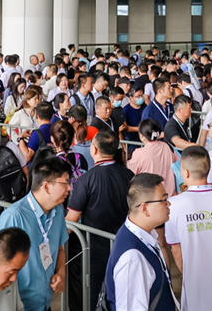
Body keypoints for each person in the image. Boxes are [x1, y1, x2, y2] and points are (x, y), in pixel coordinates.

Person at [163, 146, 212, 311]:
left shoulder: (173, 205)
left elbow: (176, 250)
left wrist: (191, 272)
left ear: (185, 172)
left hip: (195, 292)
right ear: (209, 169)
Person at [65, 131, 133, 308]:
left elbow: (71, 221)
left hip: (94, 249)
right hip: (124, 245)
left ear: (94, 150)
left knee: (93, 294)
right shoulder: (129, 175)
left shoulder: (86, 180)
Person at [0, 158, 71, 311]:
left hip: (45, 304)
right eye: (65, 183)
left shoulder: (57, 213)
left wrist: (61, 273)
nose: (69, 188)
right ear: (47, 187)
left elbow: (60, 249)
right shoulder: (14, 217)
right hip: (20, 307)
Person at [103, 173, 176, 311]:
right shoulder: (133, 258)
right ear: (144, 208)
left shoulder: (142, 235)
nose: (169, 203)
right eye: (164, 199)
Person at [127, 119, 179, 196]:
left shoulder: (139, 153)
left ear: (141, 135)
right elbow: (177, 161)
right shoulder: (167, 146)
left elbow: (130, 172)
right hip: (171, 195)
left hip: (152, 198)